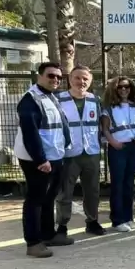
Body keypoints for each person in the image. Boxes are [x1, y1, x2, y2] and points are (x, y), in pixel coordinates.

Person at [14, 62, 72, 258]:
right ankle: (33, 242)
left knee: (49, 198)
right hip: (38, 160)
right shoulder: (30, 100)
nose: (55, 79)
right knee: (35, 200)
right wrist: (40, 160)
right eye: (50, 76)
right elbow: (30, 134)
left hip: (54, 156)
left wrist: (65, 147)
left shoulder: (50, 97)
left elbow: (59, 125)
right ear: (39, 76)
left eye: (58, 77)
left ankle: (48, 234)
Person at [55, 65, 105, 237]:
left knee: (92, 191)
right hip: (68, 154)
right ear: (70, 79)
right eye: (77, 78)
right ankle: (62, 226)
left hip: (91, 152)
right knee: (65, 192)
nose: (81, 82)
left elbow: (102, 123)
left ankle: (92, 221)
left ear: (90, 81)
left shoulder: (95, 100)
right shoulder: (58, 99)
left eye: (85, 79)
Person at [101, 76, 135, 233]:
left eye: (127, 87)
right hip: (119, 148)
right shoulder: (109, 108)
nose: (124, 90)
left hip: (134, 147)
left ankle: (128, 217)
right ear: (114, 90)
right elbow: (105, 128)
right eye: (120, 87)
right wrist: (113, 142)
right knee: (118, 184)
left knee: (129, 184)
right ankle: (117, 219)